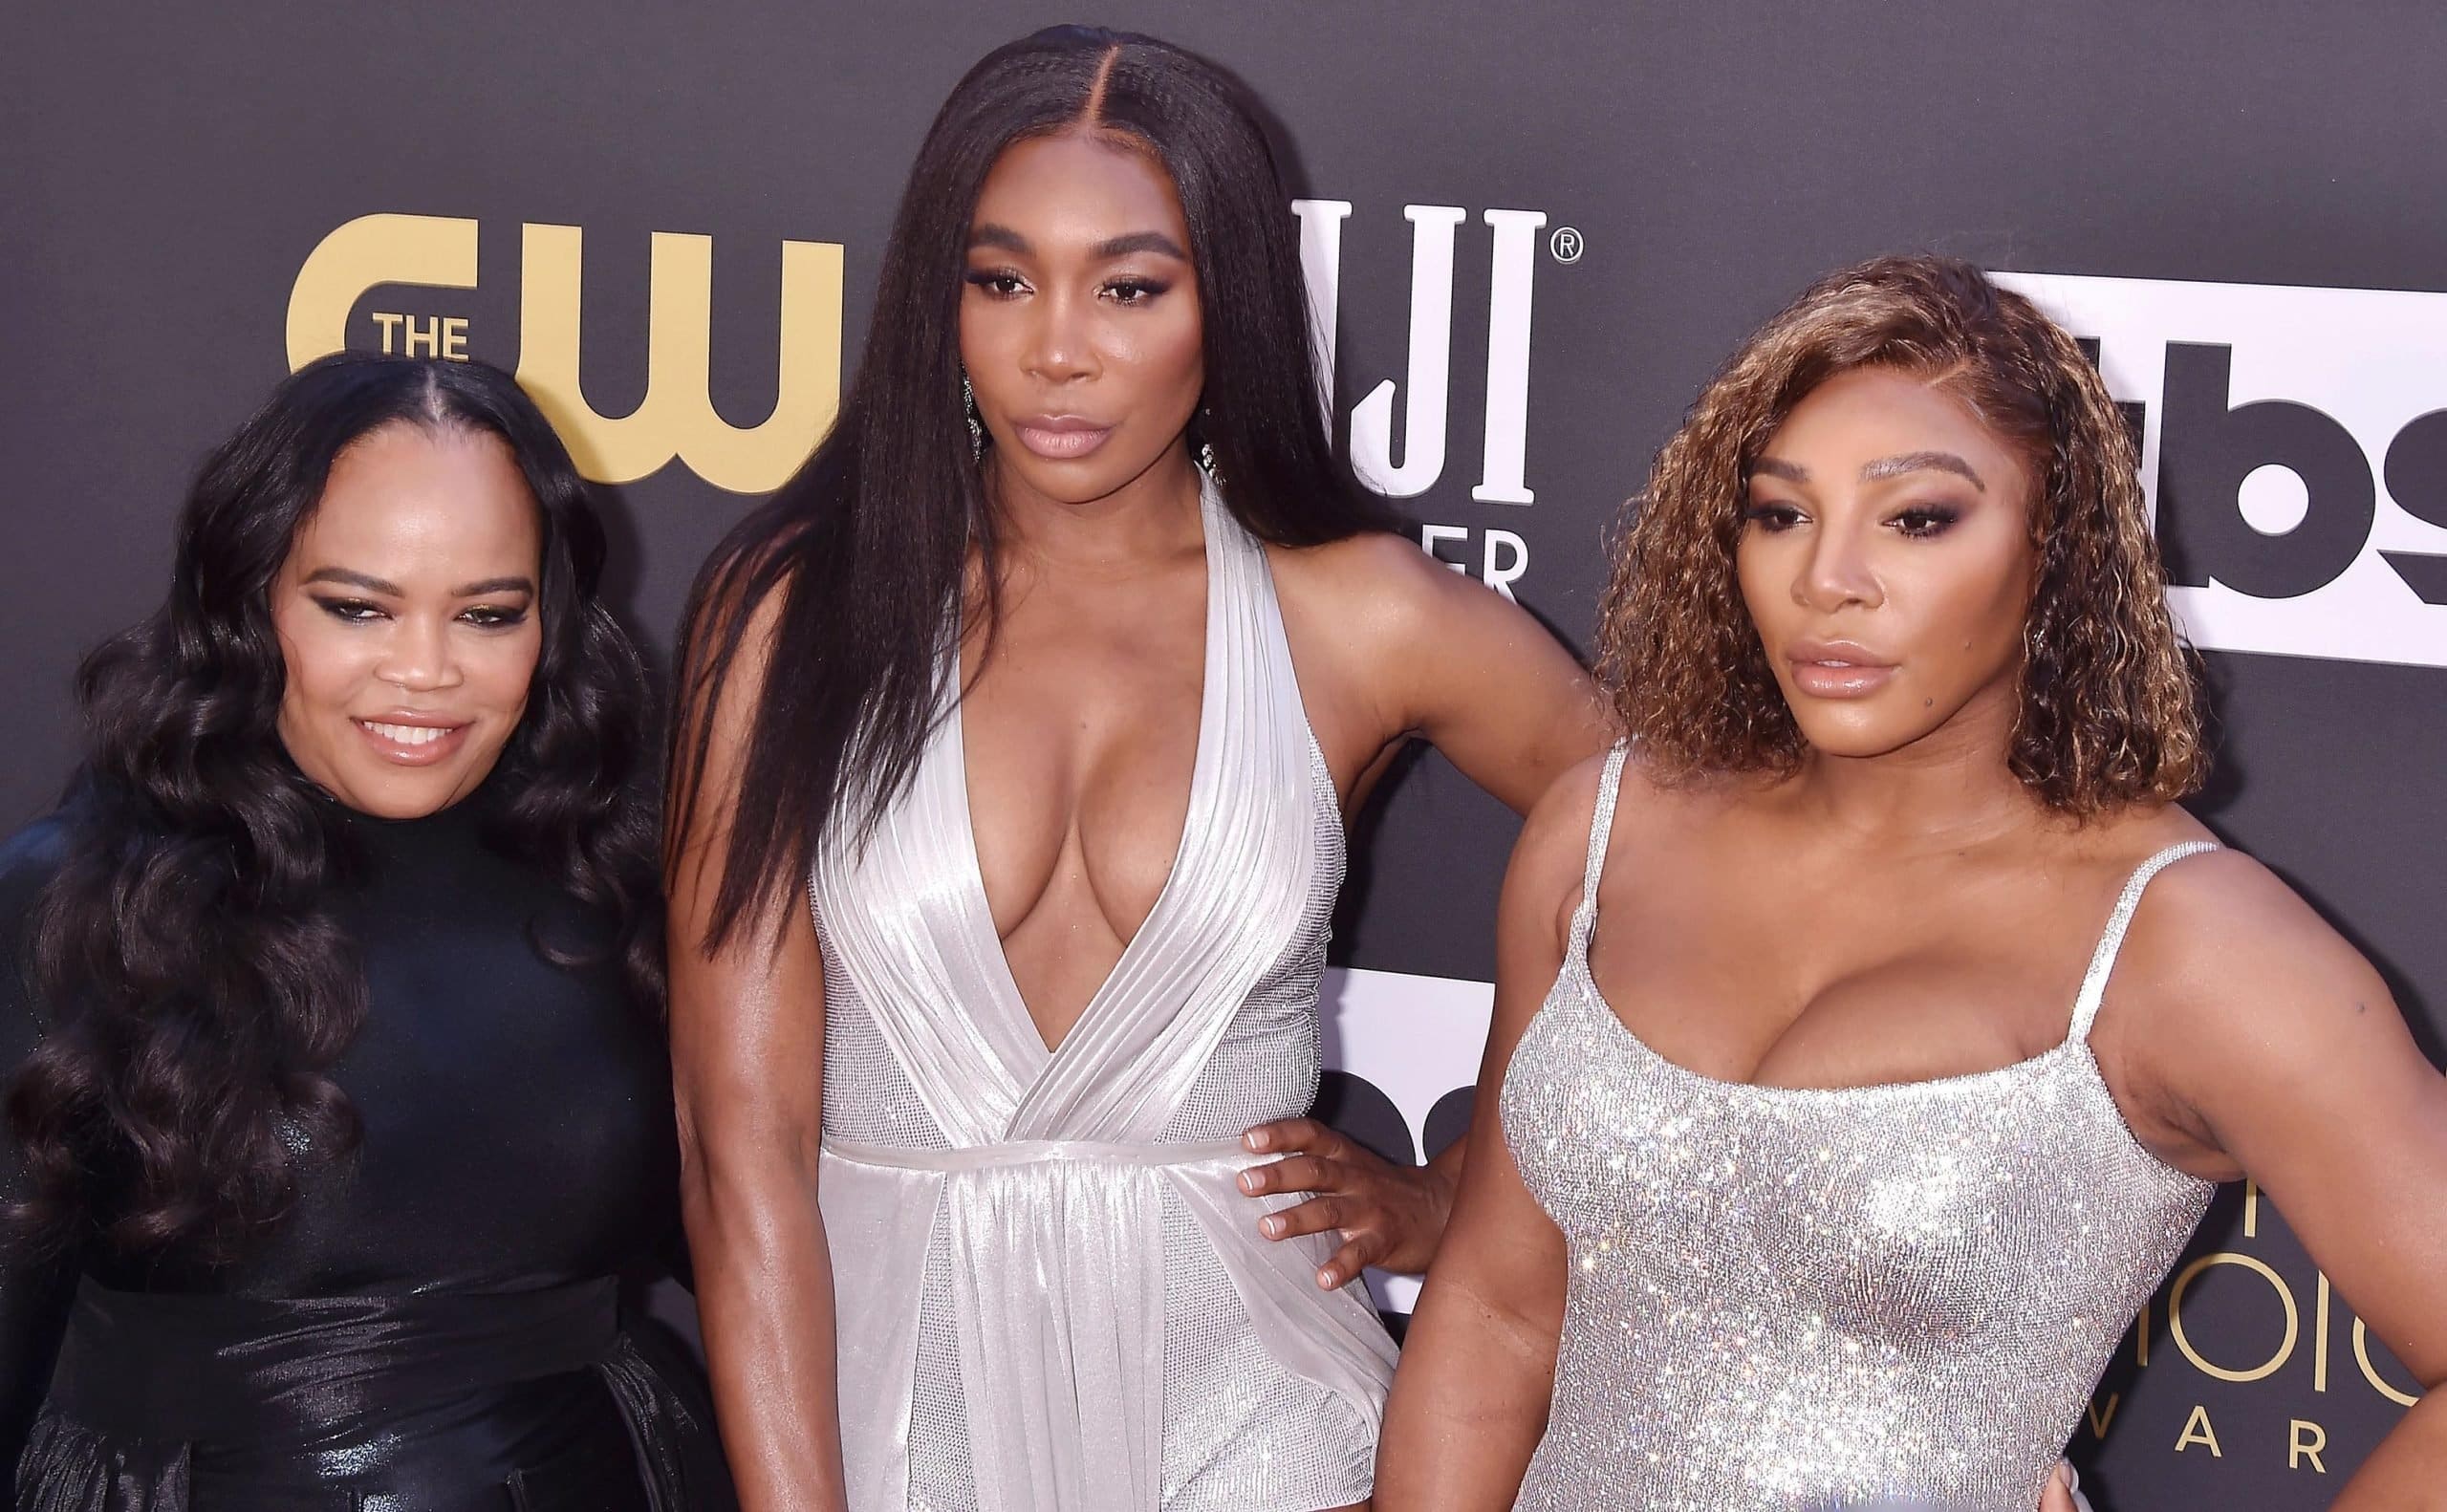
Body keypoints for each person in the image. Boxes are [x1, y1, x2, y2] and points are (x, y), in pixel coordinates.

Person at [662, 24, 1603, 1512]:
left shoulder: (1355, 617)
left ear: (1222, 302)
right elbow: (740, 1149)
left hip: (1263, 1427)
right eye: (1000, 279)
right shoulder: (798, 610)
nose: (1056, 346)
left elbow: (1671, 840)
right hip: (898, 1431)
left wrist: (1469, 1197)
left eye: (1130, 286)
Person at [1378, 254, 2447, 1510]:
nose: (1827, 579)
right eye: (1780, 512)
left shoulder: (2182, 941)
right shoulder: (1601, 830)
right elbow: (1502, 1309)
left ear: (2059, 546)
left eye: (1918, 518)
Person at [0, 353, 734, 1509]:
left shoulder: (626, 885)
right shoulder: (80, 903)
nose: (425, 673)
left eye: (489, 614)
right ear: (251, 600)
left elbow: (779, 1255)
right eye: (357, 606)